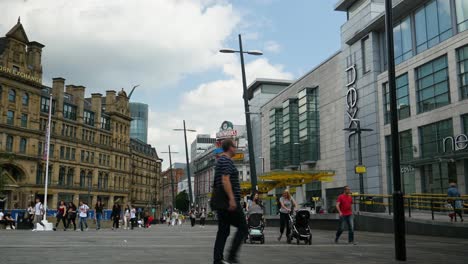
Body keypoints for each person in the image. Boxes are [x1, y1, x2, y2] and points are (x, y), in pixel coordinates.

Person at [213, 139, 248, 264]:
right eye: (235, 146)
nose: (236, 148)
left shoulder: (220, 160)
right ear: (230, 147)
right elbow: (225, 180)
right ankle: (232, 256)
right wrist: (232, 199)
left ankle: (218, 259)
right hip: (228, 202)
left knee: (223, 231)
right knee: (243, 228)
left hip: (221, 202)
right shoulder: (226, 160)